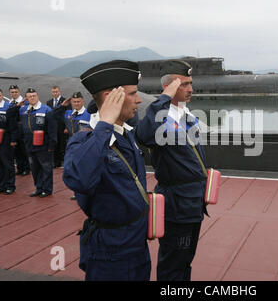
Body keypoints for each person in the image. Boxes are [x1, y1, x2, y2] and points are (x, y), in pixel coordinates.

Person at [62, 60, 150, 281]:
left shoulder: (126, 135)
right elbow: (78, 179)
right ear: (112, 97)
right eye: (132, 94)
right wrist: (105, 123)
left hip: (137, 244)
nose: (139, 100)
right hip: (111, 250)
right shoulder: (84, 140)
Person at [136, 60, 208, 281]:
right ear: (169, 87)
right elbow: (144, 136)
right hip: (177, 205)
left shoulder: (188, 116)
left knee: (186, 260)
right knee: (173, 264)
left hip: (194, 202)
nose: (190, 89)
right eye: (184, 84)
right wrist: (164, 99)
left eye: (190, 83)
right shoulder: (159, 118)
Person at [18, 88, 57, 198]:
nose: (32, 98)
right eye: (30, 96)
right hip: (29, 144)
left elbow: (52, 129)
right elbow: (12, 118)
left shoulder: (46, 110)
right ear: (26, 98)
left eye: (34, 95)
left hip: (44, 144)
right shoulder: (23, 110)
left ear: (37, 96)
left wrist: (51, 145)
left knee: (46, 167)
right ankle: (38, 188)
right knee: (34, 168)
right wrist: (17, 106)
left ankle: (47, 189)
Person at [8, 85, 30, 176]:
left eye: (16, 92)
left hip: (22, 129)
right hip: (13, 129)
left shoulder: (25, 103)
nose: (14, 94)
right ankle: (20, 168)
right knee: (16, 151)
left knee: (24, 150)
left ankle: (27, 168)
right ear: (10, 93)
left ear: (19, 92)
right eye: (12, 92)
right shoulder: (10, 102)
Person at [47, 86, 70, 168]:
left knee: (62, 144)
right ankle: (55, 162)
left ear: (59, 92)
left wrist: (67, 127)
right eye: (53, 92)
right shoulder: (49, 102)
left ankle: (61, 161)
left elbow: (68, 114)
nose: (55, 93)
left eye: (56, 91)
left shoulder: (65, 101)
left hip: (62, 127)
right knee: (54, 144)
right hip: (53, 127)